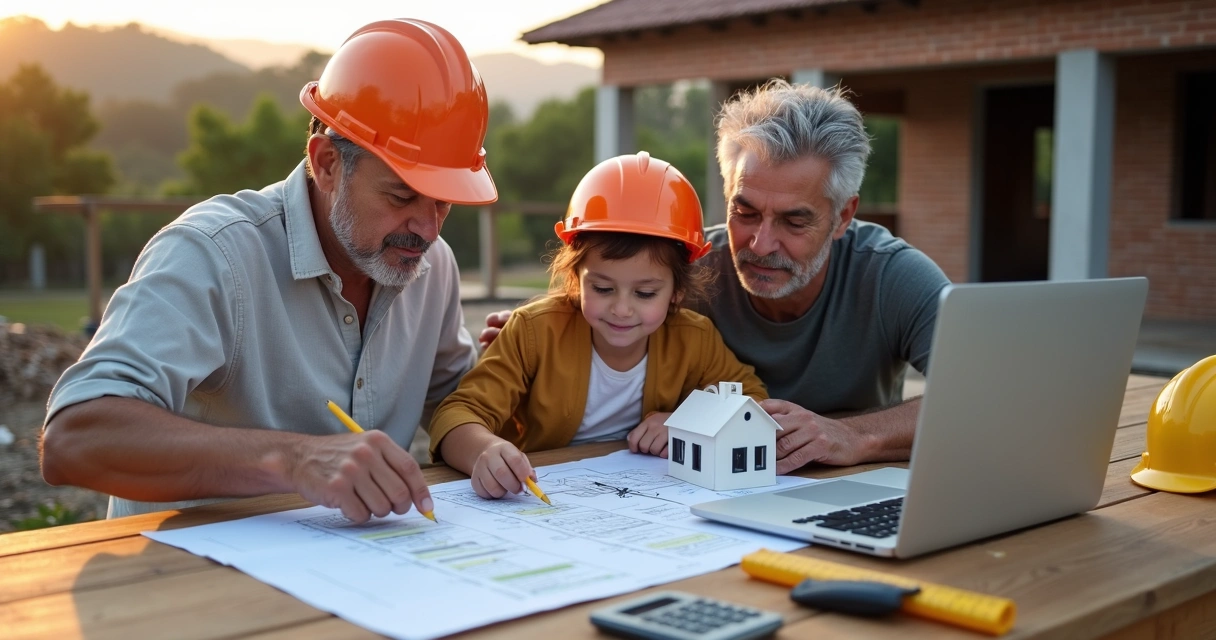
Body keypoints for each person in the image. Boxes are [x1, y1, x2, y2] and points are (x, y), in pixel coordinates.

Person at [40, 19, 493, 524]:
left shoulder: (433, 265)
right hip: (183, 582)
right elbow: (74, 438)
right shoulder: (214, 254)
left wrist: (520, 366)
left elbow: (451, 400)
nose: (428, 230)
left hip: (365, 580)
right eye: (401, 195)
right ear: (325, 165)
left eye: (444, 203)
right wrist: (295, 461)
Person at [482, 81, 950, 475]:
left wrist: (855, 436)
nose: (761, 244)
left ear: (844, 215)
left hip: (847, 489)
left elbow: (988, 398)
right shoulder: (678, 268)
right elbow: (578, 315)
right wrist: (531, 336)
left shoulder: (893, 277)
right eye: (744, 211)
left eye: (794, 221)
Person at [429, 152, 766, 500]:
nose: (621, 309)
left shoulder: (694, 338)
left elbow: (753, 401)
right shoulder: (534, 331)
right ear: (575, 278)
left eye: (645, 293)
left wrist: (686, 424)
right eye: (602, 289)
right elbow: (455, 415)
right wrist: (483, 449)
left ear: (677, 292)